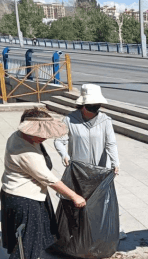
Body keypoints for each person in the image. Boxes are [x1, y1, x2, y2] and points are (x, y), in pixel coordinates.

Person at [1, 108, 87, 259]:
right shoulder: (23, 150)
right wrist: (74, 196)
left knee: (37, 231)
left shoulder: (25, 137)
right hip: (21, 198)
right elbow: (49, 178)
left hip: (34, 193)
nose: (44, 138)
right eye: (40, 134)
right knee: (22, 242)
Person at [54, 84, 126, 239]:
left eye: (96, 107)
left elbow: (111, 143)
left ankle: (107, 230)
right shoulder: (69, 120)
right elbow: (59, 141)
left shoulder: (105, 120)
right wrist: (64, 154)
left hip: (99, 170)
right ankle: (78, 232)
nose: (94, 110)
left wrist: (115, 163)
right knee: (79, 200)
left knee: (102, 200)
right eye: (90, 107)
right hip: (79, 170)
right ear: (82, 105)